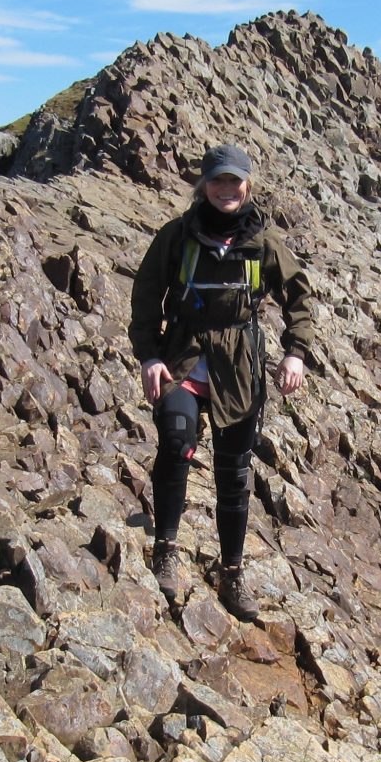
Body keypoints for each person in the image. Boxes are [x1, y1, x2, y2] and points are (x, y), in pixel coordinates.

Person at [129, 143, 315, 621]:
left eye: (234, 181)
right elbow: (146, 295)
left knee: (234, 474)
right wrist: (150, 356)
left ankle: (232, 572)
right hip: (185, 360)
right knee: (176, 439)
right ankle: (165, 547)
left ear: (247, 184)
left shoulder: (263, 243)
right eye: (217, 181)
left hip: (240, 369)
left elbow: (298, 296)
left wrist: (295, 352)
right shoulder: (177, 237)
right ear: (203, 185)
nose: (226, 189)